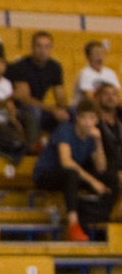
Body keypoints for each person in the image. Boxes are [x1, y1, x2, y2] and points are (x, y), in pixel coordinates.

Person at [32, 101, 114, 242]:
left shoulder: (91, 138)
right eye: (84, 118)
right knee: (72, 173)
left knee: (111, 178)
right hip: (46, 174)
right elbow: (66, 161)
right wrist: (93, 182)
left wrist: (99, 141)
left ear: (96, 120)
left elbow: (101, 168)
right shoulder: (66, 130)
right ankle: (73, 226)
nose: (88, 122)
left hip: (70, 178)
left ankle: (95, 218)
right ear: (77, 118)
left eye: (91, 118)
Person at [8, 31, 69, 141]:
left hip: (41, 108)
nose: (43, 51)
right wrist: (53, 109)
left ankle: (65, 147)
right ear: (32, 47)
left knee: (71, 113)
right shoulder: (21, 66)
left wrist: (61, 109)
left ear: (51, 48)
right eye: (39, 46)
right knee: (34, 111)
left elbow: (61, 97)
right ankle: (33, 147)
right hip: (19, 111)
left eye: (46, 47)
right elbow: (25, 100)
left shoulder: (54, 67)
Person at [74, 40, 120, 105]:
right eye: (96, 53)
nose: (99, 56)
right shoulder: (85, 73)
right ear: (88, 57)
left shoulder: (111, 73)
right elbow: (89, 98)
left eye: (102, 53)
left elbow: (117, 96)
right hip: (86, 110)